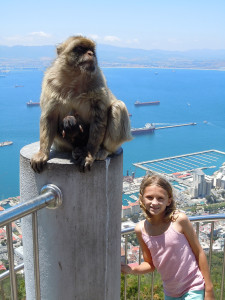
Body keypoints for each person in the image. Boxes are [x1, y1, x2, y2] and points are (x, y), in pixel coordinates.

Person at [121, 174, 215, 300]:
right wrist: (131, 269)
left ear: (168, 200)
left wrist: (209, 289)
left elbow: (199, 253)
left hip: (193, 286)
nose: (154, 202)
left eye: (160, 198)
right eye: (149, 197)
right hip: (170, 293)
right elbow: (150, 264)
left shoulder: (179, 220)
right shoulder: (140, 229)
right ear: (142, 199)